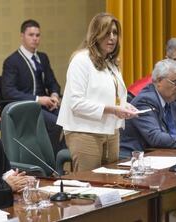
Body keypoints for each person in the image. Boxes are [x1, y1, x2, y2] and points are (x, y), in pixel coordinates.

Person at [57, 13, 138, 172]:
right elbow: (76, 103)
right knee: (89, 186)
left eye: (115, 33)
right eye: (107, 33)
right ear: (96, 35)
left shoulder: (111, 63)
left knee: (111, 183)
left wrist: (125, 106)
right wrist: (114, 109)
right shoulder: (81, 61)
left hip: (111, 129)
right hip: (85, 131)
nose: (112, 37)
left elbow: (110, 96)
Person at [1, 19, 63, 155]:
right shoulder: (12, 61)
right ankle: (50, 161)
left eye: (38, 35)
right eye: (31, 35)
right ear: (22, 36)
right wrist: (38, 99)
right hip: (27, 106)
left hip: (46, 105)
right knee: (56, 123)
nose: (35, 38)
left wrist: (54, 95)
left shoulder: (43, 57)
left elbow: (53, 82)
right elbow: (8, 92)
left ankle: (60, 157)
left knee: (68, 119)